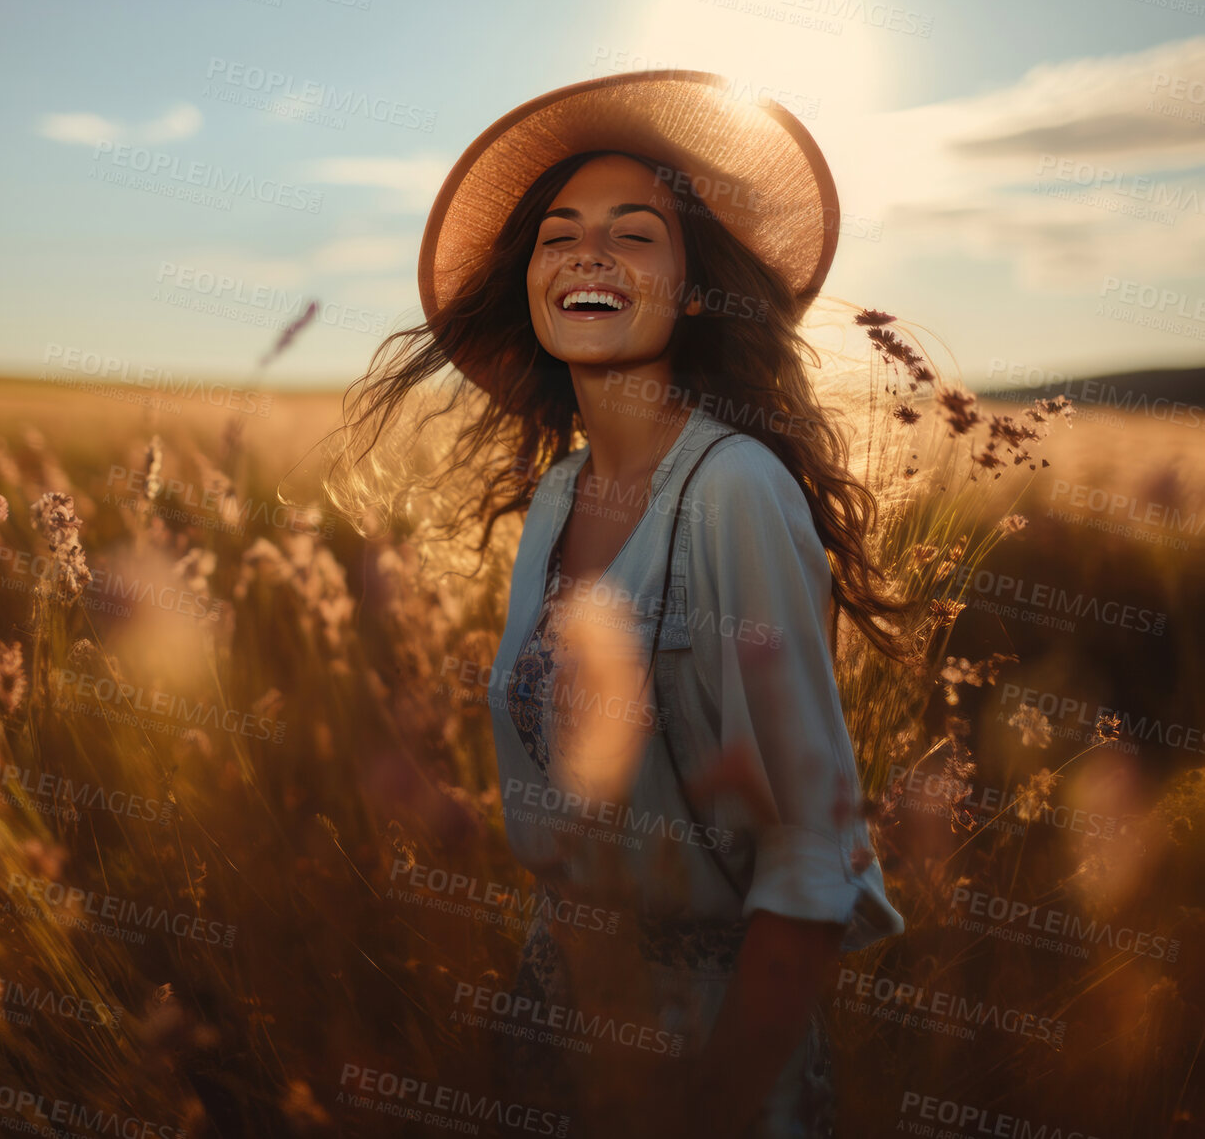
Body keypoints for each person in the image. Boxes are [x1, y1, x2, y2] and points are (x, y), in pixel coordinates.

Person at [329, 72, 911, 1136]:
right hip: (553, 1013)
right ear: (532, 284)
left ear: (694, 291)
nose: (587, 255)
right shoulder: (558, 499)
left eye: (634, 235)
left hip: (713, 1042)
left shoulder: (735, 489)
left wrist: (719, 1097)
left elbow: (811, 855)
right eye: (558, 236)